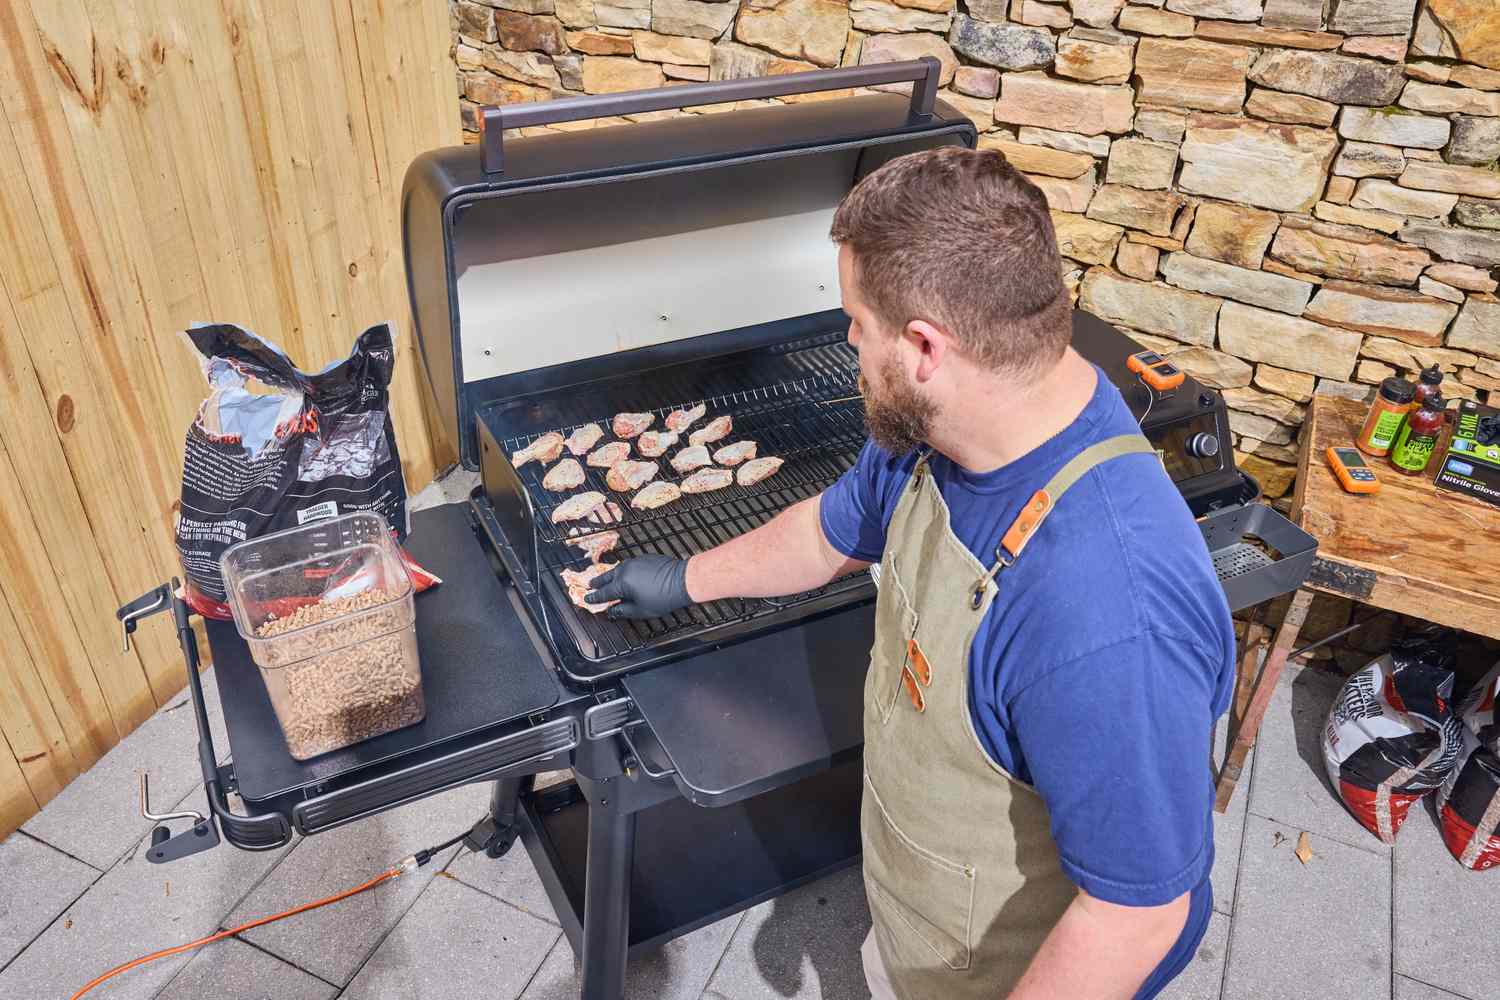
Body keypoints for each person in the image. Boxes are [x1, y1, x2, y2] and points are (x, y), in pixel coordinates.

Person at [586, 146, 1236, 1000]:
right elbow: (831, 530)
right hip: (921, 929)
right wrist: (685, 579)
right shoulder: (945, 433)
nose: (849, 343)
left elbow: (1135, 916)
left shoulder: (1106, 616)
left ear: (926, 346)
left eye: (857, 323)